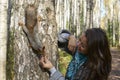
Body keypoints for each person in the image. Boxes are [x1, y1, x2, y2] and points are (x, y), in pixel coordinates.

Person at [40, 28, 112, 80]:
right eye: (80, 39)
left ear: (92, 52)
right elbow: (58, 37)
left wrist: (52, 69)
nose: (78, 44)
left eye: (83, 46)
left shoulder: (91, 71)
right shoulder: (79, 53)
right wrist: (70, 37)